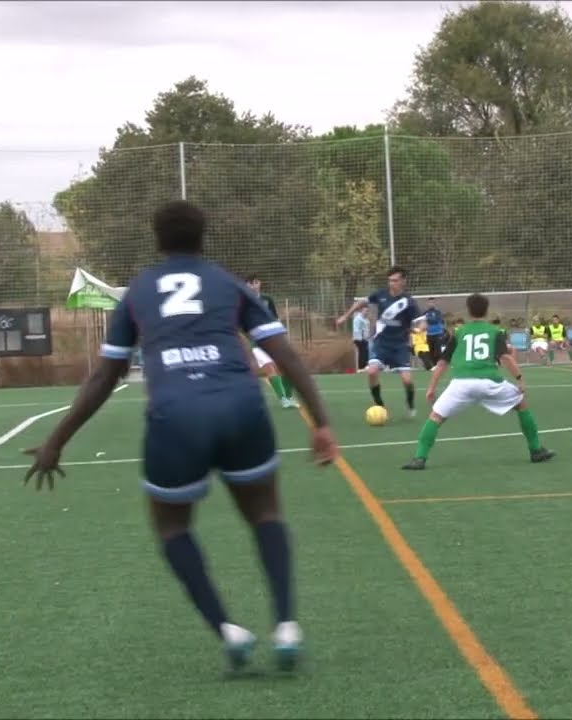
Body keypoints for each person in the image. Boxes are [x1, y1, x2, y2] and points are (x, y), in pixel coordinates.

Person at [22, 200, 338, 673]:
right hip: (240, 408)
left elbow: (104, 377)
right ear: (203, 236)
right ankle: (286, 625)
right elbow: (285, 354)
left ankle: (228, 631)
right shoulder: (228, 284)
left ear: (157, 239)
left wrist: (56, 440)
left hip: (176, 418)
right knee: (266, 513)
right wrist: (321, 423)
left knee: (172, 526)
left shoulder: (138, 293)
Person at [402, 293, 554, 471]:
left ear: (468, 311)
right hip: (489, 383)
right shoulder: (495, 332)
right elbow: (505, 358)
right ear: (486, 310)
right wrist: (520, 379)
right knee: (521, 405)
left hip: (461, 384)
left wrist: (431, 388)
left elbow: (442, 362)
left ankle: (419, 458)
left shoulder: (459, 333)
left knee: (436, 417)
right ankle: (536, 450)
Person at [334, 266, 425, 420]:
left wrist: (419, 330)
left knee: (407, 380)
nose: (392, 283)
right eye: (390, 280)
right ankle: (379, 405)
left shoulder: (409, 302)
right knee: (371, 372)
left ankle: (410, 405)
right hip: (381, 343)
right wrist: (346, 316)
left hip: (399, 346)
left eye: (395, 280)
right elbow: (362, 303)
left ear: (403, 281)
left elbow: (421, 322)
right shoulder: (381, 294)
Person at [244, 274, 298, 409]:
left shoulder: (267, 299)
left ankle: (289, 397)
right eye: (250, 283)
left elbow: (275, 318)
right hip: (256, 343)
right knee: (269, 368)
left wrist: (281, 334)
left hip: (273, 340)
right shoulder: (243, 301)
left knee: (286, 368)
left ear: (259, 283)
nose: (253, 285)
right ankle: (283, 400)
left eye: (255, 282)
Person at [423, 298, 447, 365]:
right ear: (427, 303)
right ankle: (433, 365)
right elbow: (422, 322)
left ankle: (438, 364)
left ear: (435, 303)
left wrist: (427, 320)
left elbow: (435, 320)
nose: (431, 304)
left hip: (438, 334)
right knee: (430, 351)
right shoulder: (424, 313)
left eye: (432, 302)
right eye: (429, 303)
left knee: (438, 351)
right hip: (428, 334)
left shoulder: (438, 312)